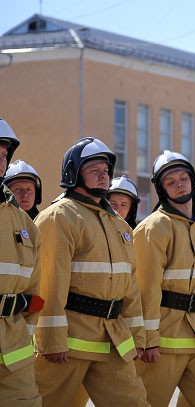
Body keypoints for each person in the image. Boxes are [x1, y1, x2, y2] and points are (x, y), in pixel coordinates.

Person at [34, 137, 149, 407]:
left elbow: (129, 286)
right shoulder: (59, 217)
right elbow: (50, 282)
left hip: (114, 340)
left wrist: (137, 337)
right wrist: (52, 339)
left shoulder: (118, 224)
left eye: (105, 170)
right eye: (94, 169)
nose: (103, 175)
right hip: (69, 342)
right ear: (73, 173)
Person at [133, 150, 195, 407]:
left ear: (193, 181)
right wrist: (147, 339)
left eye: (183, 178)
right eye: (170, 181)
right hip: (164, 343)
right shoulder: (153, 228)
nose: (179, 184)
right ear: (162, 189)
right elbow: (146, 289)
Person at [0, 118, 44, 406]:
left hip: (14, 346)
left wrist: (26, 337)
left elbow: (34, 289)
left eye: (3, 155)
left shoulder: (24, 221)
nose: (0, 161)